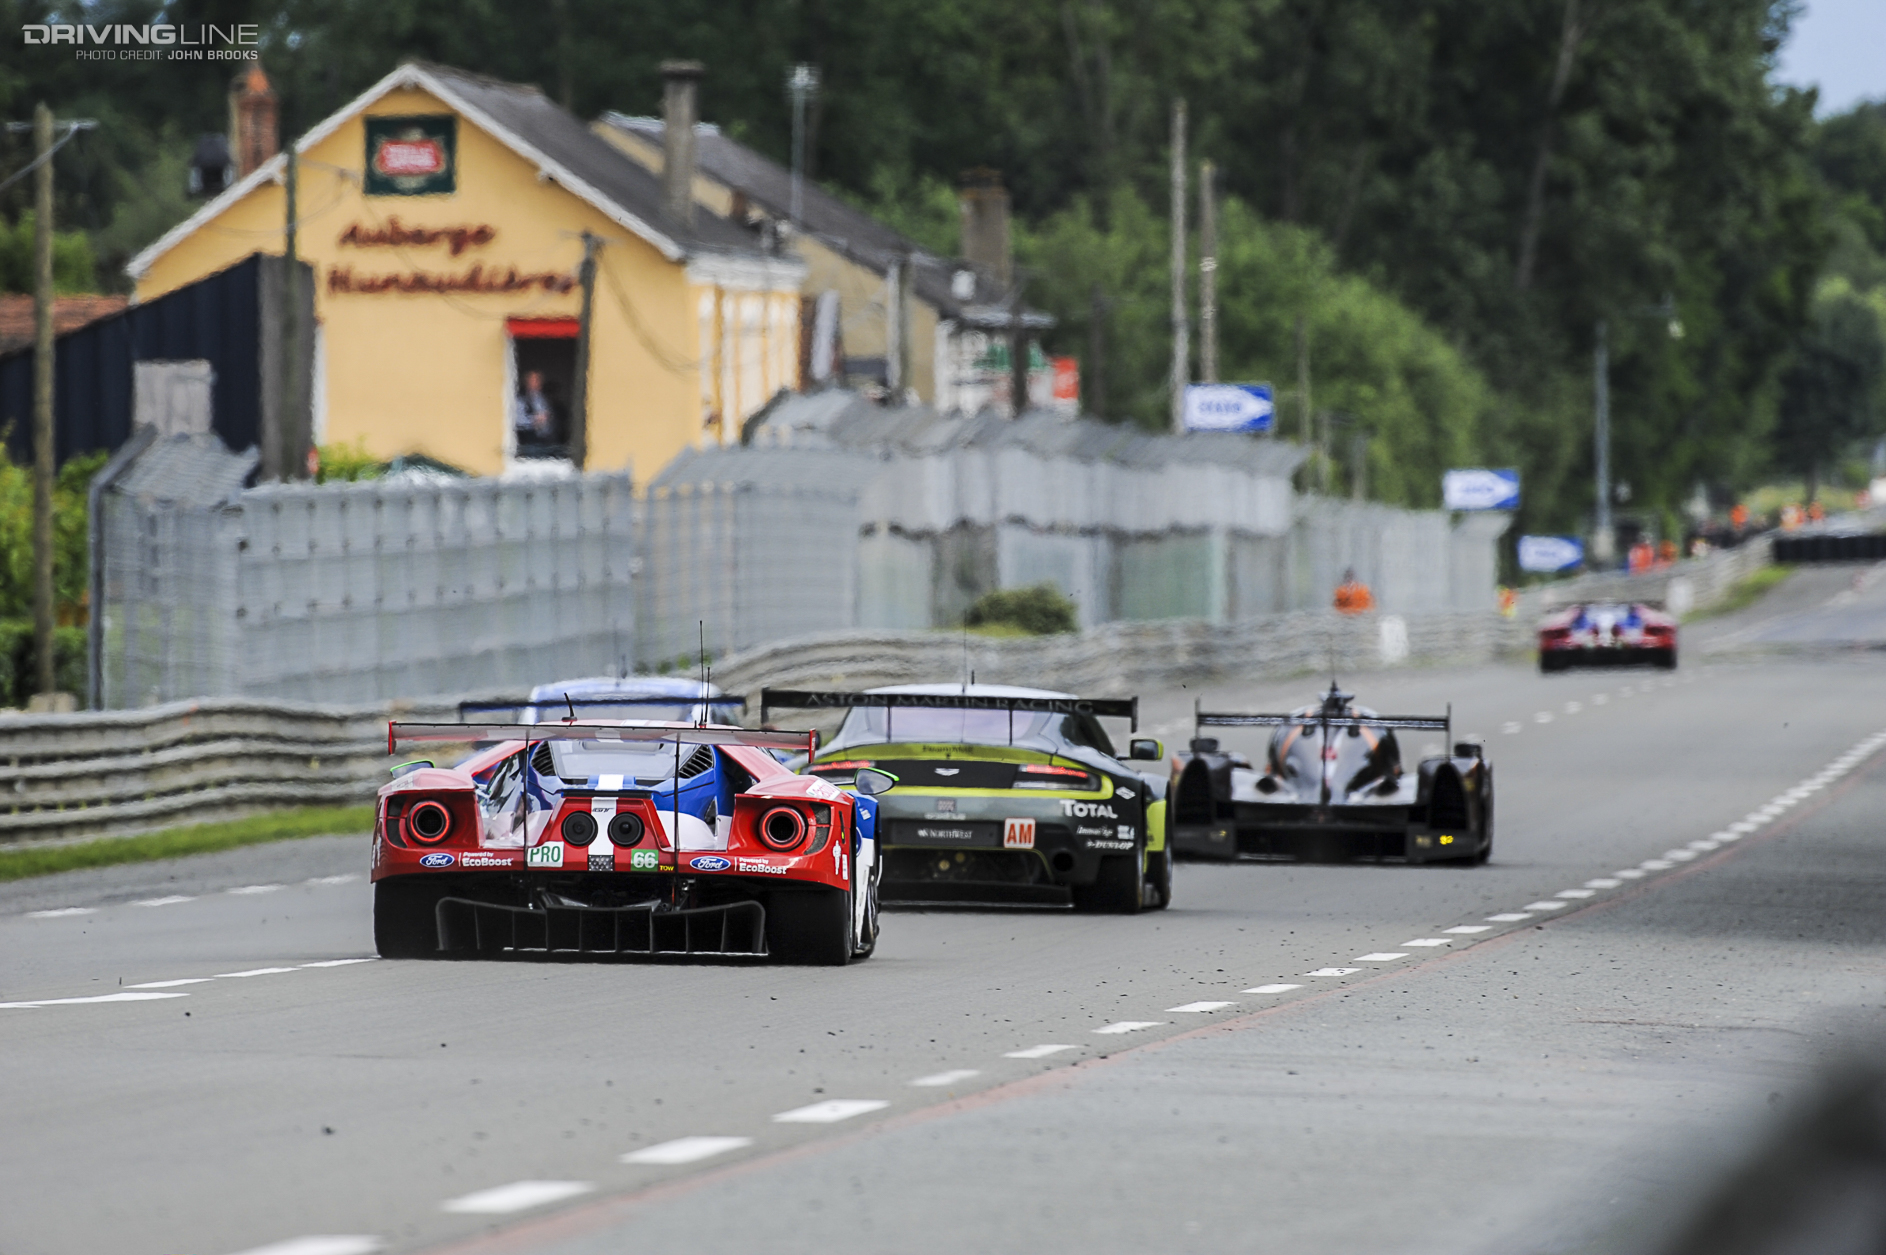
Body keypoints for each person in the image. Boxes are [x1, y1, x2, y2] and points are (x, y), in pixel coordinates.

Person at [514, 370, 552, 445]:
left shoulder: (541, 398)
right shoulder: (520, 398)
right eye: (534, 380)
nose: (538, 382)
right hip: (527, 438)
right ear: (526, 381)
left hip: (544, 438)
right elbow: (517, 420)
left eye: (539, 379)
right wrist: (534, 420)